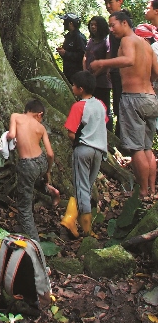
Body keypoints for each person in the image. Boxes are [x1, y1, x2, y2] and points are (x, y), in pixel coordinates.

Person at [90, 11, 158, 200]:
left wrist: (102, 62)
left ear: (125, 23)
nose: (111, 29)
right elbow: (156, 72)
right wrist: (146, 81)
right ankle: (152, 189)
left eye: (113, 25)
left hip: (133, 98)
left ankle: (143, 192)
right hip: (150, 98)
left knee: (137, 149)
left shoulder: (128, 40)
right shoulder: (146, 45)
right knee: (147, 148)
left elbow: (129, 60)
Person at [60, 70, 108, 237]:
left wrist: (77, 142)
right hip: (99, 151)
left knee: (81, 187)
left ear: (80, 89)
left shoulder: (79, 106)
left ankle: (86, 229)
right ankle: (71, 219)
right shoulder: (101, 105)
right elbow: (103, 123)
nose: (72, 87)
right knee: (86, 187)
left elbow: (71, 133)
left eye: (74, 85)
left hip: (83, 149)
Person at [7, 99, 57, 241]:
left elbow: (11, 135)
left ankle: (35, 243)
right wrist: (48, 171)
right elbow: (50, 154)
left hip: (27, 165)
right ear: (39, 114)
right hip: (41, 161)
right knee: (35, 179)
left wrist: (5, 138)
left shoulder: (16, 116)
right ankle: (49, 189)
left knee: (24, 209)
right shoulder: (41, 128)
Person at [100, 0, 128, 137]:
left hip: (123, 71)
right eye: (106, 3)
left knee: (123, 105)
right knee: (118, 104)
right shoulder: (113, 24)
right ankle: (119, 135)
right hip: (116, 71)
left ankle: (123, 137)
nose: (108, 6)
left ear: (119, 2)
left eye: (110, 2)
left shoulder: (124, 22)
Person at [84, 16, 112, 130]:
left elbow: (107, 62)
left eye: (95, 25)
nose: (93, 27)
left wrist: (94, 75)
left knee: (103, 108)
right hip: (90, 80)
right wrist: (85, 72)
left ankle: (107, 131)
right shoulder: (91, 40)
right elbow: (85, 56)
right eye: (91, 25)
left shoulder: (106, 41)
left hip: (102, 81)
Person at [57, 13, 87, 84]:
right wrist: (62, 52)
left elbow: (82, 55)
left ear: (71, 23)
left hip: (76, 73)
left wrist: (66, 53)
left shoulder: (79, 37)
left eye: (65, 22)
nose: (63, 24)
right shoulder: (68, 36)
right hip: (67, 72)